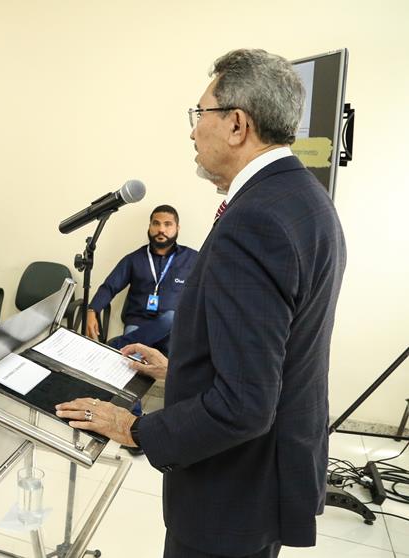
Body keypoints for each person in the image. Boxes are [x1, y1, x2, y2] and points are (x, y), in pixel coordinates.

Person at [57, 49, 347, 558]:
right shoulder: (305, 199)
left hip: (230, 490)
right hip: (267, 475)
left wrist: (133, 428)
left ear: (236, 124)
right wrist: (180, 371)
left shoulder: (254, 221)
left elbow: (244, 406)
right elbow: (273, 353)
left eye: (200, 114)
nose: (193, 132)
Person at [85, 205, 198, 354]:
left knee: (171, 318)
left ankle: (118, 346)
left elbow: (207, 291)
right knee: (131, 361)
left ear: (177, 228)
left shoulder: (193, 259)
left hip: (172, 330)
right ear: (149, 226)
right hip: (138, 324)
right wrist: (92, 310)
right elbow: (109, 286)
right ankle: (126, 349)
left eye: (167, 224)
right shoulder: (134, 259)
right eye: (156, 223)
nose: (161, 229)